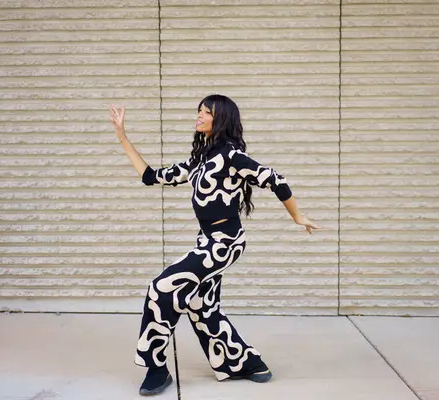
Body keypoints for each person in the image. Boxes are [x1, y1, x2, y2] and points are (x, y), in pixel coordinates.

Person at [109, 94, 320, 396]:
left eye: (206, 112)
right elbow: (150, 176)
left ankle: (157, 368)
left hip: (225, 243)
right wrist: (122, 137)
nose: (199, 115)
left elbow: (274, 179)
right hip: (207, 241)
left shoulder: (231, 156)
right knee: (201, 305)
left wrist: (298, 216)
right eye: (199, 110)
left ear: (220, 119)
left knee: (161, 288)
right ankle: (247, 363)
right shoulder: (200, 159)